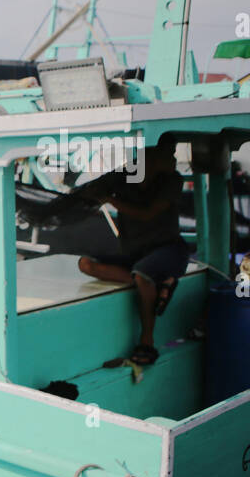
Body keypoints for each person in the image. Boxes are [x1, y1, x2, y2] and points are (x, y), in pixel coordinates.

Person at [77, 138, 190, 365]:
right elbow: (90, 192)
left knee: (142, 273)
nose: (174, 158)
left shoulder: (172, 180)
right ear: (150, 156)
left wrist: (110, 199)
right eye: (169, 152)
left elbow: (147, 213)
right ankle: (156, 285)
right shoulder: (122, 177)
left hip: (169, 250)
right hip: (137, 254)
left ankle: (146, 340)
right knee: (85, 264)